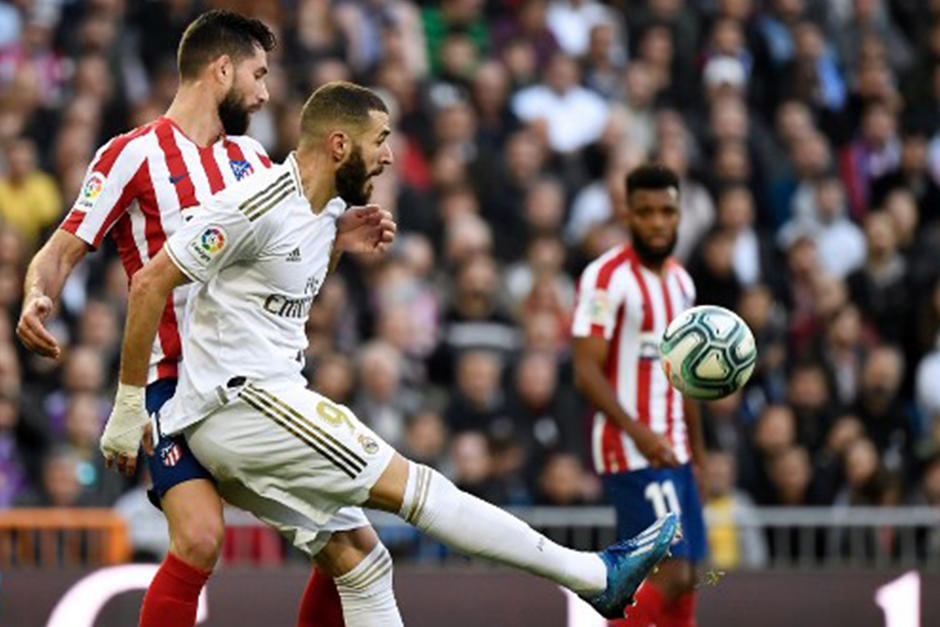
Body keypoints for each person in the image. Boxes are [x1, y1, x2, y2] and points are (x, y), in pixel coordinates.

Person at [100, 81, 680, 626]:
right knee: (419, 489)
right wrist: (129, 410)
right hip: (241, 405)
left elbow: (275, 294)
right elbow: (151, 282)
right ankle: (594, 574)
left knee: (363, 565)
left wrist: (336, 242)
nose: (389, 156)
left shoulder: (323, 211)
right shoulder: (255, 203)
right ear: (339, 144)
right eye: (380, 141)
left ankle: (595, 575)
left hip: (260, 411)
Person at [15, 10, 344, 627]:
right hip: (170, 384)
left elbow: (295, 241)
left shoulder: (252, 158)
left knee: (344, 541)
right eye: (258, 74)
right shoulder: (129, 155)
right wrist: (38, 294)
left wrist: (340, 231)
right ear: (221, 70)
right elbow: (62, 248)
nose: (266, 92)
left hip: (250, 383)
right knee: (198, 540)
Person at [572, 163, 707, 627]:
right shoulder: (605, 278)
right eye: (645, 211)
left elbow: (688, 376)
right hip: (631, 450)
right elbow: (586, 370)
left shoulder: (682, 282)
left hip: (675, 452)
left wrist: (699, 457)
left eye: (666, 211)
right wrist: (640, 433)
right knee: (669, 573)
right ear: (627, 214)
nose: (656, 222)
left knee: (691, 575)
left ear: (679, 214)